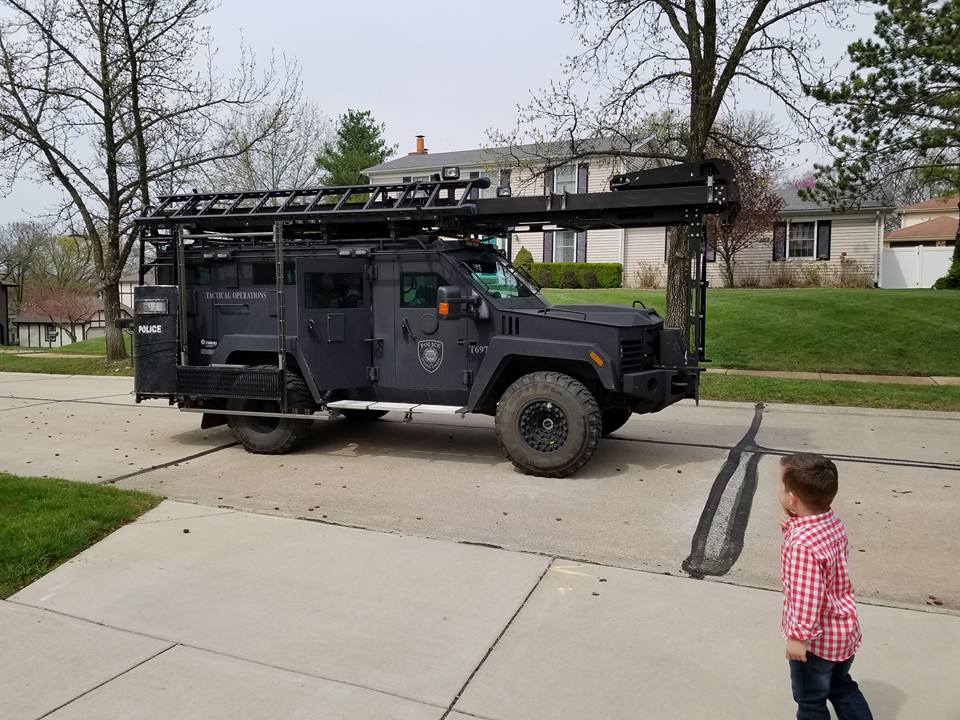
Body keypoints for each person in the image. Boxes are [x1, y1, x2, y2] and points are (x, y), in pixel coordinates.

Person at [779, 452, 873, 720]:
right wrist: (790, 525)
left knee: (810, 701)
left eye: (781, 487)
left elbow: (807, 595)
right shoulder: (831, 521)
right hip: (844, 633)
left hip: (816, 644)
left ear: (791, 498)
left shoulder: (800, 545)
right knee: (842, 686)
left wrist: (799, 636)